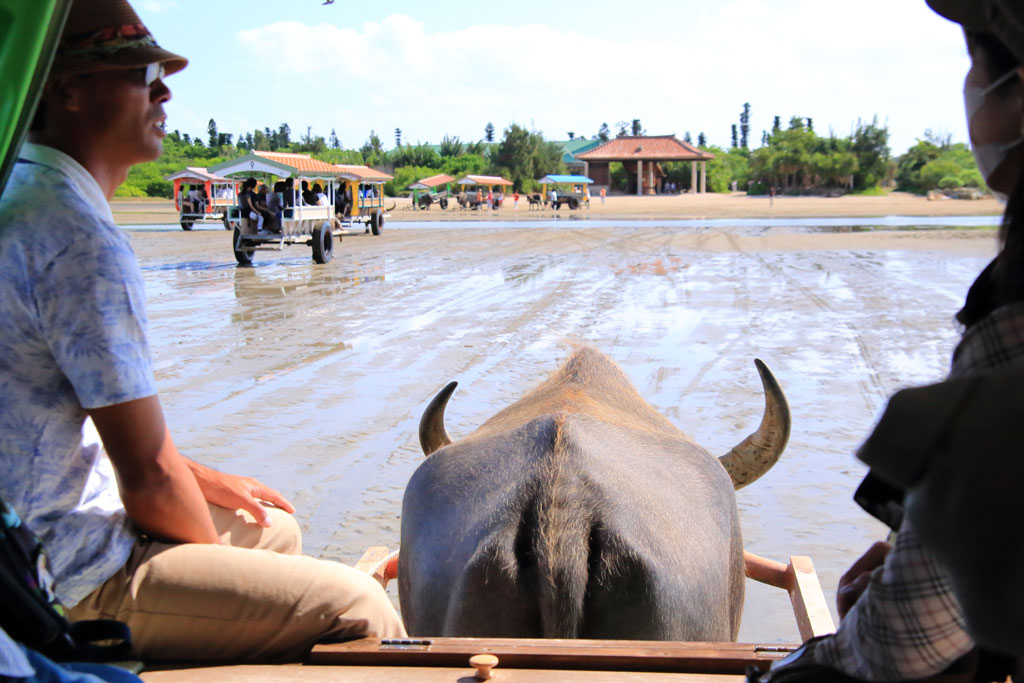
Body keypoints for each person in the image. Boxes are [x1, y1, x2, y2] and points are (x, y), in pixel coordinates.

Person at [0, 0, 405, 665]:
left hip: (49, 521)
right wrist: (225, 570)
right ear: (66, 88)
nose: (163, 92)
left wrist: (207, 480)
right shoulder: (76, 236)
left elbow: (88, 430)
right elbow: (148, 479)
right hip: (62, 574)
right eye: (141, 74)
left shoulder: (28, 191)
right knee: (360, 605)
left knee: (275, 528)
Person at [756, 1, 1024, 680]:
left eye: (975, 63)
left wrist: (795, 666)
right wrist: (924, 548)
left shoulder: (1010, 330)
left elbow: (900, 641)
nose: (971, 89)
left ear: (1018, 92)